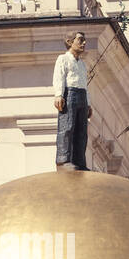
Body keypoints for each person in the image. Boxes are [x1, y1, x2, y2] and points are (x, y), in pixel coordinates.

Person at [52, 30, 92, 170]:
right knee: (67, 127)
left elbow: (85, 84)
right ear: (70, 42)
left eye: (84, 40)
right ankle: (63, 160)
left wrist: (88, 103)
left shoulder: (82, 64)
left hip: (81, 95)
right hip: (69, 94)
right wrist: (58, 94)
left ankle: (79, 161)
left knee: (81, 130)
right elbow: (59, 77)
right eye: (80, 40)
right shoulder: (63, 59)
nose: (84, 43)